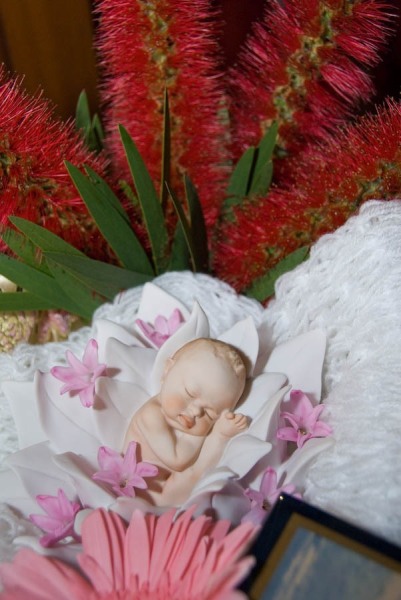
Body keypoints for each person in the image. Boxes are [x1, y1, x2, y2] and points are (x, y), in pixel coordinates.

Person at [123, 337, 248, 505]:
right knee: (194, 473)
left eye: (210, 414)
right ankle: (220, 436)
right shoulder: (151, 415)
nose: (196, 411)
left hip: (168, 488)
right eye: (190, 393)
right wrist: (206, 433)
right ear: (167, 371)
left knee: (200, 473)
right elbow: (177, 460)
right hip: (150, 494)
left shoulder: (178, 418)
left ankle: (220, 435)